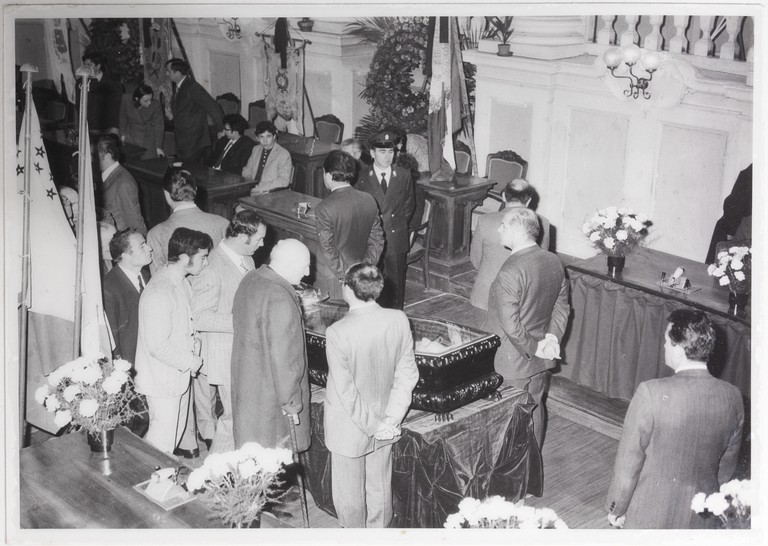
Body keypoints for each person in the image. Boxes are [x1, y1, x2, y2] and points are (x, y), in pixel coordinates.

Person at [605, 309, 744, 529]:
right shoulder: (733, 396)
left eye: (666, 342)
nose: (663, 346)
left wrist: (617, 508)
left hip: (649, 514)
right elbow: (726, 466)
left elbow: (628, 462)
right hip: (701, 515)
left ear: (679, 348)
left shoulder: (649, 393)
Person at [324, 263, 419, 528]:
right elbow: (408, 373)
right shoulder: (398, 319)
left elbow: (346, 391)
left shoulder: (337, 332)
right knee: (380, 491)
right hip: (387, 421)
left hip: (351, 427)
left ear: (347, 289)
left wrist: (373, 426)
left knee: (349, 498)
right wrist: (390, 418)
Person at [483, 207, 569, 448]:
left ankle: (510, 477)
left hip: (512, 360)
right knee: (535, 408)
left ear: (518, 231)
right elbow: (562, 308)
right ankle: (533, 469)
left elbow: (510, 324)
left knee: (508, 419)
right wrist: (550, 340)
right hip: (540, 358)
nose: (499, 229)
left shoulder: (511, 270)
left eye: (504, 225)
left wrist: (535, 347)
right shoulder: (554, 260)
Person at [190, 210, 266, 453]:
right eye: (258, 239)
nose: (262, 243)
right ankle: (214, 475)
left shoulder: (248, 259)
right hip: (226, 356)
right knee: (234, 419)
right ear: (243, 236)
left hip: (245, 353)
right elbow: (199, 317)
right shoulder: (211, 266)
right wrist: (242, 321)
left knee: (242, 417)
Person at [134, 227, 213, 456]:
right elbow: (157, 345)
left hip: (176, 376)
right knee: (161, 441)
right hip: (162, 379)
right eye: (203, 257)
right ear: (186, 258)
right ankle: (148, 486)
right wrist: (192, 361)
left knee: (173, 435)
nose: (205, 263)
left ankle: (158, 483)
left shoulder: (181, 281)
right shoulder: (160, 290)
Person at [231, 239, 311, 452]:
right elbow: (285, 357)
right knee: (277, 460)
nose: (308, 272)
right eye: (305, 266)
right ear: (291, 264)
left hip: (249, 386)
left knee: (253, 456)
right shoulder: (280, 296)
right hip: (272, 399)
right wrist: (292, 402)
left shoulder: (251, 278)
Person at [469, 178, 551, 325]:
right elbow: (542, 265)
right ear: (529, 201)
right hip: (523, 299)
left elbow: (475, 260)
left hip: (485, 297)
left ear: (504, 196)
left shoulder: (485, 220)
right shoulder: (542, 223)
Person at [356, 130, 416, 309]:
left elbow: (409, 205)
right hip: (369, 238)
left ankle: (395, 317)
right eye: (382, 152)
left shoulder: (404, 175)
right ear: (372, 153)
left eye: (391, 152)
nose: (387, 156)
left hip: (395, 236)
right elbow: (358, 209)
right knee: (369, 281)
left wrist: (395, 224)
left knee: (396, 284)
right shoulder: (361, 177)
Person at [314, 150, 384, 300]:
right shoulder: (369, 199)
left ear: (327, 175)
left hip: (333, 278)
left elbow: (328, 249)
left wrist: (346, 274)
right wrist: (363, 269)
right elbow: (377, 241)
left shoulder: (324, 207)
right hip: (363, 275)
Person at [146, 167, 228, 273]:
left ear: (166, 194)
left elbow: (158, 281)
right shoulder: (223, 223)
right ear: (196, 191)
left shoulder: (155, 234)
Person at [103, 228, 152, 366]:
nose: (149, 249)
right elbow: (112, 338)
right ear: (125, 255)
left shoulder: (148, 276)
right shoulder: (109, 287)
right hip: (132, 364)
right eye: (142, 246)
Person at [165, 58, 224, 164]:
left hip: (194, 140)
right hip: (182, 139)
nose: (166, 73)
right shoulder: (179, 86)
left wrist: (221, 129)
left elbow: (213, 107)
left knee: (188, 169)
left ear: (177, 73)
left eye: (168, 71)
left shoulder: (193, 87)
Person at [97, 134, 148, 236]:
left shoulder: (124, 183)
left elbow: (135, 224)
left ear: (107, 156)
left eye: (94, 155)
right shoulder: (102, 176)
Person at [705, 164, 752, 263]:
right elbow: (732, 203)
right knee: (717, 270)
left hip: (738, 231)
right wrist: (730, 232)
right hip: (730, 229)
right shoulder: (752, 172)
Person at [242, 120, 293, 194]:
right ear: (257, 138)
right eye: (261, 137)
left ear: (274, 136)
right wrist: (246, 186)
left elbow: (283, 181)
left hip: (269, 193)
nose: (265, 140)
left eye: (268, 136)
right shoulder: (256, 149)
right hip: (251, 190)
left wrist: (259, 188)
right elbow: (247, 170)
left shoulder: (283, 154)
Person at [119, 83, 165, 160]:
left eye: (151, 99)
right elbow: (122, 117)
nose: (149, 103)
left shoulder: (156, 105)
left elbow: (159, 126)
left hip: (148, 140)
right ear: (137, 99)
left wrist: (158, 147)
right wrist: (123, 135)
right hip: (131, 138)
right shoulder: (126, 100)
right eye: (146, 101)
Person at [80, 51, 122, 134]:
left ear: (98, 66)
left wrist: (115, 127)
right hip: (88, 127)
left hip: (107, 128)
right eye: (84, 64)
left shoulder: (113, 83)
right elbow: (79, 105)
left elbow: (117, 106)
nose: (86, 67)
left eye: (89, 65)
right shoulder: (81, 82)